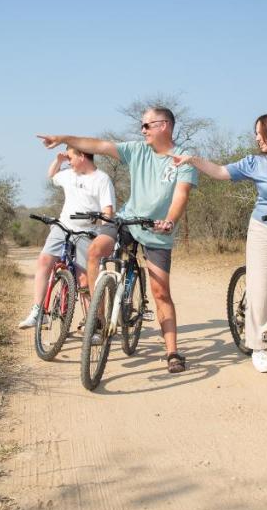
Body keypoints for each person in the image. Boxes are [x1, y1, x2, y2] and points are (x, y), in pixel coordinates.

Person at [36, 107, 198, 373]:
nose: (142, 130)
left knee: (161, 292)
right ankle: (96, 320)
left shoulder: (183, 160)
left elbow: (181, 196)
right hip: (127, 219)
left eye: (147, 125)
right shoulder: (137, 150)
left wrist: (169, 220)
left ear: (164, 126)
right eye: (142, 126)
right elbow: (98, 145)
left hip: (157, 230)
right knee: (96, 251)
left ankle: (173, 352)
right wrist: (64, 137)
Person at [172, 112, 267, 373]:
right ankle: (259, 347)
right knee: (260, 289)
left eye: (259, 132)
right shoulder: (255, 163)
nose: (256, 138)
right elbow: (221, 172)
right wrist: (194, 160)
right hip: (264, 229)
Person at [18, 147, 116, 329]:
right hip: (63, 226)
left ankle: (94, 322)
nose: (68, 161)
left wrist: (96, 222)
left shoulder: (102, 179)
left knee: (85, 280)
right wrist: (59, 160)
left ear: (82, 155)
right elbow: (51, 175)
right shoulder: (69, 174)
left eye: (70, 157)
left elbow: (108, 212)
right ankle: (38, 311)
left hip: (86, 232)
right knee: (44, 261)